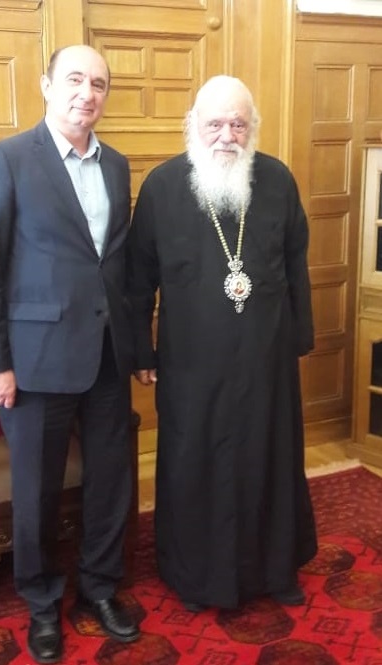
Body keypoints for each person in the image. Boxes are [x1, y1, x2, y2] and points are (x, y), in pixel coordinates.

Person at [0, 45, 140, 664]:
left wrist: (137, 346)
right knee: (36, 491)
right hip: (34, 364)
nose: (87, 93)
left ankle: (99, 588)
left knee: (111, 482)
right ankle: (41, 604)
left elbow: (115, 267)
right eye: (74, 79)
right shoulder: (7, 159)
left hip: (107, 357)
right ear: (46, 84)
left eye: (99, 84)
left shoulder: (117, 166)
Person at [127, 75, 318, 613]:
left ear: (252, 127)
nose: (227, 135)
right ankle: (196, 577)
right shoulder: (163, 186)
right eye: (215, 124)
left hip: (266, 357)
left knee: (269, 458)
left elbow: (296, 264)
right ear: (193, 125)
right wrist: (141, 350)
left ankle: (275, 570)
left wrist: (299, 337)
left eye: (238, 124)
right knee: (196, 462)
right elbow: (138, 278)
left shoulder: (277, 180)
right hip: (192, 362)